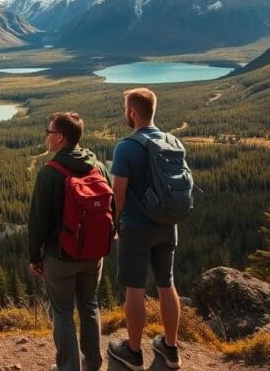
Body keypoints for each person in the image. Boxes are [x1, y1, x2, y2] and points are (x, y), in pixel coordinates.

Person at [28, 111, 112, 371]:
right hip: (94, 253)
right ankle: (93, 364)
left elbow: (38, 221)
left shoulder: (50, 173)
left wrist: (34, 256)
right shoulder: (98, 167)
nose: (46, 136)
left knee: (63, 311)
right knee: (89, 305)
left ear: (60, 138)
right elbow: (113, 207)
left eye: (49, 132)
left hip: (60, 256)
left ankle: (68, 368)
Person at [107, 88, 182, 370]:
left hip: (137, 227)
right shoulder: (173, 141)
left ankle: (133, 352)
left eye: (126, 108)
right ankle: (171, 349)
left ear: (133, 112)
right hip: (167, 224)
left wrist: (114, 223)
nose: (125, 113)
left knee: (135, 288)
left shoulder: (126, 146)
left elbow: (119, 193)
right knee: (167, 284)